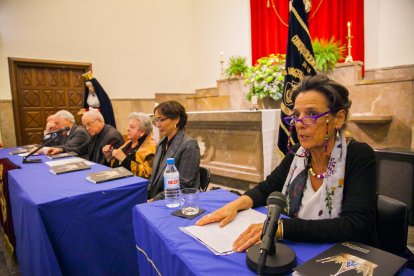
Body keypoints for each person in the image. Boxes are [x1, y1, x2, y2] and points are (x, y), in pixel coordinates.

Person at [196, 75, 377, 251]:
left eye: (311, 114)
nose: (299, 124)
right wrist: (234, 206)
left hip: (337, 252)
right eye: (297, 115)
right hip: (300, 245)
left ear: (339, 118)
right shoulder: (298, 153)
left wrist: (282, 228)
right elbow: (268, 188)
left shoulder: (358, 156)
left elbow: (355, 224)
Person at [148, 101, 201, 201]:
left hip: (176, 201)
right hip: (156, 197)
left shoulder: (189, 145)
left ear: (176, 119)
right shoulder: (161, 143)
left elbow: (183, 185)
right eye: (156, 120)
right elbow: (154, 179)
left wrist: (154, 200)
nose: (157, 125)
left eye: (161, 120)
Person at [102, 112, 156, 179]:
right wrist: (109, 157)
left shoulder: (150, 148)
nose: (128, 129)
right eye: (128, 126)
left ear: (142, 132)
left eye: (132, 127)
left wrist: (124, 159)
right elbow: (115, 166)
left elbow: (147, 174)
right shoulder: (129, 143)